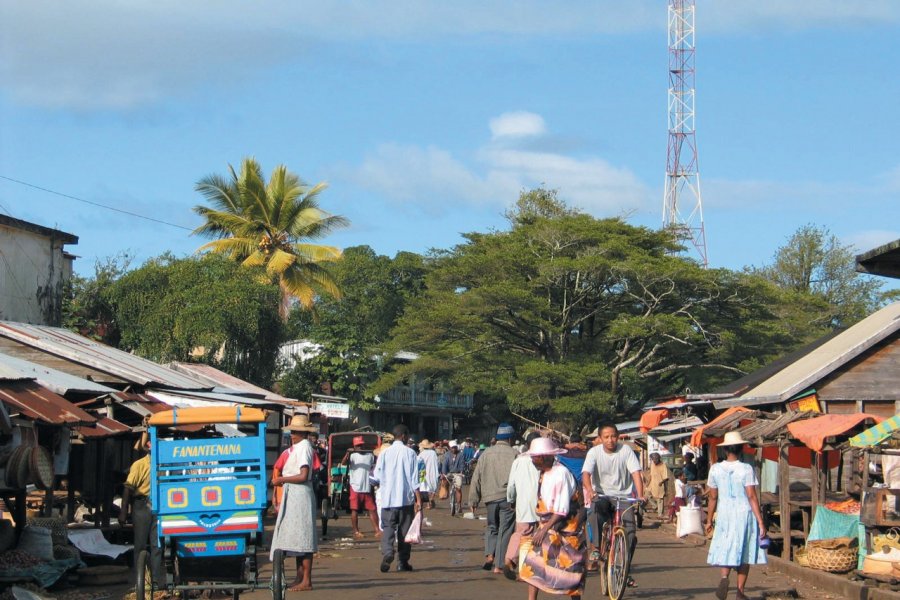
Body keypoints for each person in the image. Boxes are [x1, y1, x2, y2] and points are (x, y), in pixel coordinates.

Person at [518, 437, 586, 599]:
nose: (534, 461)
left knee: (572, 570)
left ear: (547, 457)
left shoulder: (560, 474)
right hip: (548, 525)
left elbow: (561, 509)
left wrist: (544, 530)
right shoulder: (544, 473)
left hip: (567, 528)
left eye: (536, 458)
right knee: (533, 564)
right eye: (533, 458)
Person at [705, 432, 767, 600]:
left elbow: (713, 497)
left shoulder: (715, 469)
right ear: (741, 449)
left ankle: (724, 578)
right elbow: (752, 496)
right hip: (743, 514)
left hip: (724, 514)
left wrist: (709, 520)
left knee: (727, 547)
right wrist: (761, 522)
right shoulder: (746, 469)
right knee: (744, 551)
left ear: (725, 450)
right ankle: (740, 591)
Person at [581, 421, 644, 587]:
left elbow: (636, 473)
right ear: (600, 438)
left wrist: (640, 494)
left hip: (623, 496)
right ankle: (595, 548)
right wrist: (590, 490)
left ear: (618, 437)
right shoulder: (594, 453)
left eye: (613, 436)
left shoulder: (626, 451)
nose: (610, 440)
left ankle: (624, 570)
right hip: (602, 494)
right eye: (606, 437)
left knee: (630, 531)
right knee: (595, 512)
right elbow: (586, 474)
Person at [270, 414, 319, 592]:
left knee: (304, 539)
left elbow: (303, 475)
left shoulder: (304, 447)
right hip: (294, 495)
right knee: (299, 538)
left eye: (294, 432)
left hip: (300, 494)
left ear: (301, 432)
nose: (291, 434)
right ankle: (300, 577)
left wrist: (281, 479)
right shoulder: (297, 447)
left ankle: (306, 580)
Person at [469, 423, 518, 574]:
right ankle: (499, 564)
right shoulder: (514, 454)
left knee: (492, 527)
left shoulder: (486, 454)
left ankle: (490, 555)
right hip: (507, 498)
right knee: (505, 529)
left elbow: (476, 477)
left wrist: (473, 499)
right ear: (510, 439)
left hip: (489, 498)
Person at [372, 424, 422, 573]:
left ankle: (388, 552)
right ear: (404, 436)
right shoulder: (410, 453)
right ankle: (402, 562)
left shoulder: (384, 454)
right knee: (404, 532)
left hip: (388, 499)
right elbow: (414, 479)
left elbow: (377, 476)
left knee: (388, 527)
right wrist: (419, 499)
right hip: (405, 499)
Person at [120, 431, 164, 590]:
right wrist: (123, 511)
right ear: (148, 446)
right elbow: (128, 488)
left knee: (157, 546)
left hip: (159, 506)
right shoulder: (139, 465)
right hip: (141, 505)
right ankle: (139, 583)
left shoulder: (163, 463)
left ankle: (157, 582)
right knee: (140, 545)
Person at [504, 431, 542, 580]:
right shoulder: (545, 459)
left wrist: (511, 500)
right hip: (540, 503)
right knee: (533, 537)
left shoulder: (519, 460)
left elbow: (511, 486)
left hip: (523, 503)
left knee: (521, 533)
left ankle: (510, 558)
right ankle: (522, 569)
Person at [342, 435, 380, 539]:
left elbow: (377, 463)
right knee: (355, 509)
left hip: (367, 486)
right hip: (355, 486)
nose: (360, 447)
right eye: (358, 446)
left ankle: (377, 530)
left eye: (361, 445)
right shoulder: (353, 456)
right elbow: (343, 463)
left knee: (372, 509)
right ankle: (356, 531)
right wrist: (348, 453)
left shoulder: (369, 455)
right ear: (354, 446)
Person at [440, 440, 466, 511]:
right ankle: (447, 492)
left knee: (458, 488)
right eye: (452, 447)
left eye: (455, 447)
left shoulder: (461, 454)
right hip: (449, 473)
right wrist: (443, 473)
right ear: (449, 448)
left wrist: (461, 472)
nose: (454, 449)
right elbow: (444, 465)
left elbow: (462, 464)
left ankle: (459, 505)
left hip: (458, 473)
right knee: (444, 480)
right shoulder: (447, 455)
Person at [644, 452, 670, 519]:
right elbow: (650, 474)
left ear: (658, 459)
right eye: (653, 459)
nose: (654, 461)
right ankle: (655, 506)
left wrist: (662, 483)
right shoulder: (652, 464)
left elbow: (666, 477)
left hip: (659, 484)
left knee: (660, 499)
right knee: (647, 496)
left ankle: (660, 514)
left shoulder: (663, 465)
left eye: (655, 459)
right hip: (652, 483)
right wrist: (647, 483)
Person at [418, 439, 440, 510]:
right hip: (433, 471)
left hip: (423, 472)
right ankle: (431, 499)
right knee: (433, 486)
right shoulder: (433, 453)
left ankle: (428, 503)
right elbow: (437, 462)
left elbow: (418, 463)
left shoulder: (421, 454)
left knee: (424, 487)